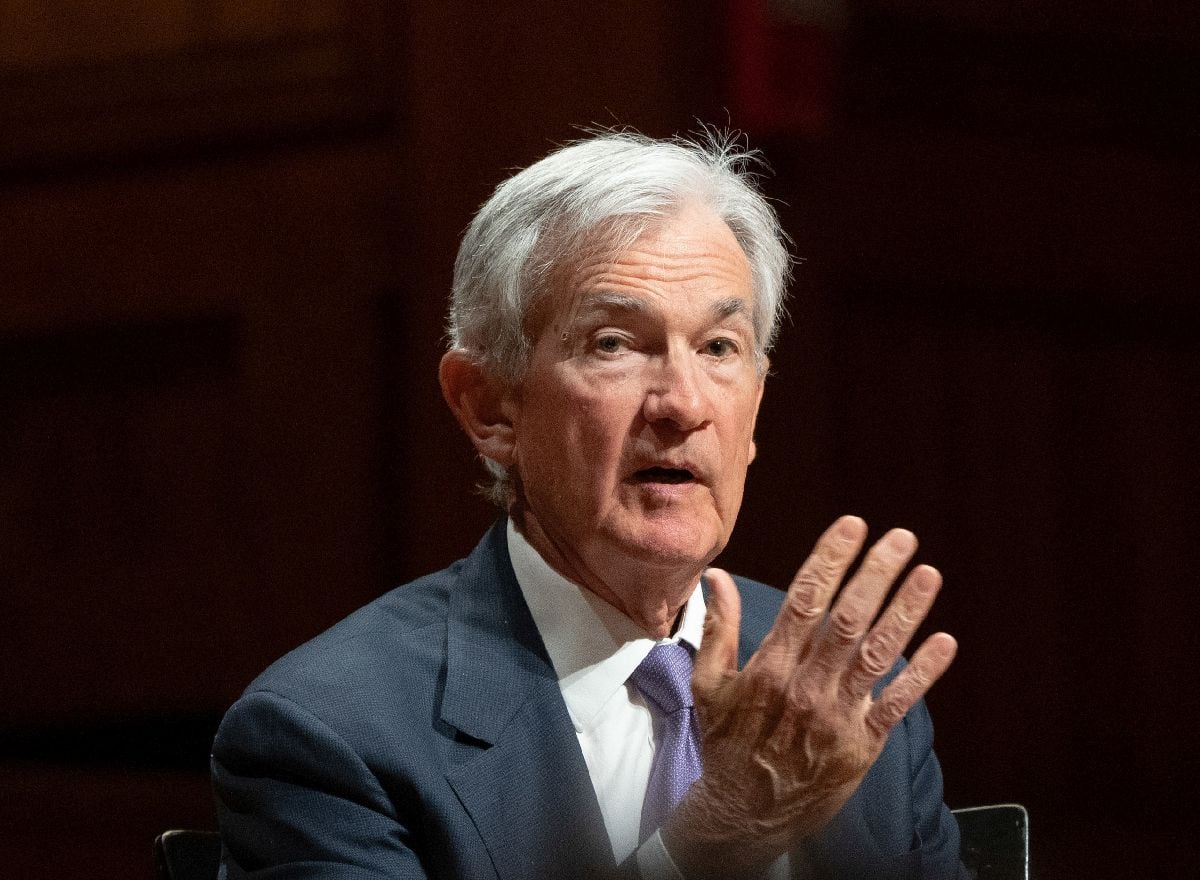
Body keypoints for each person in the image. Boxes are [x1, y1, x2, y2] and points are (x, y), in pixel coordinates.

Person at [212, 130, 965, 879]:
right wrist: (712, 846)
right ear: (489, 409)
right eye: (615, 343)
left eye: (719, 348)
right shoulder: (332, 733)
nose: (684, 404)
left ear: (757, 408)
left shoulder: (843, 706)